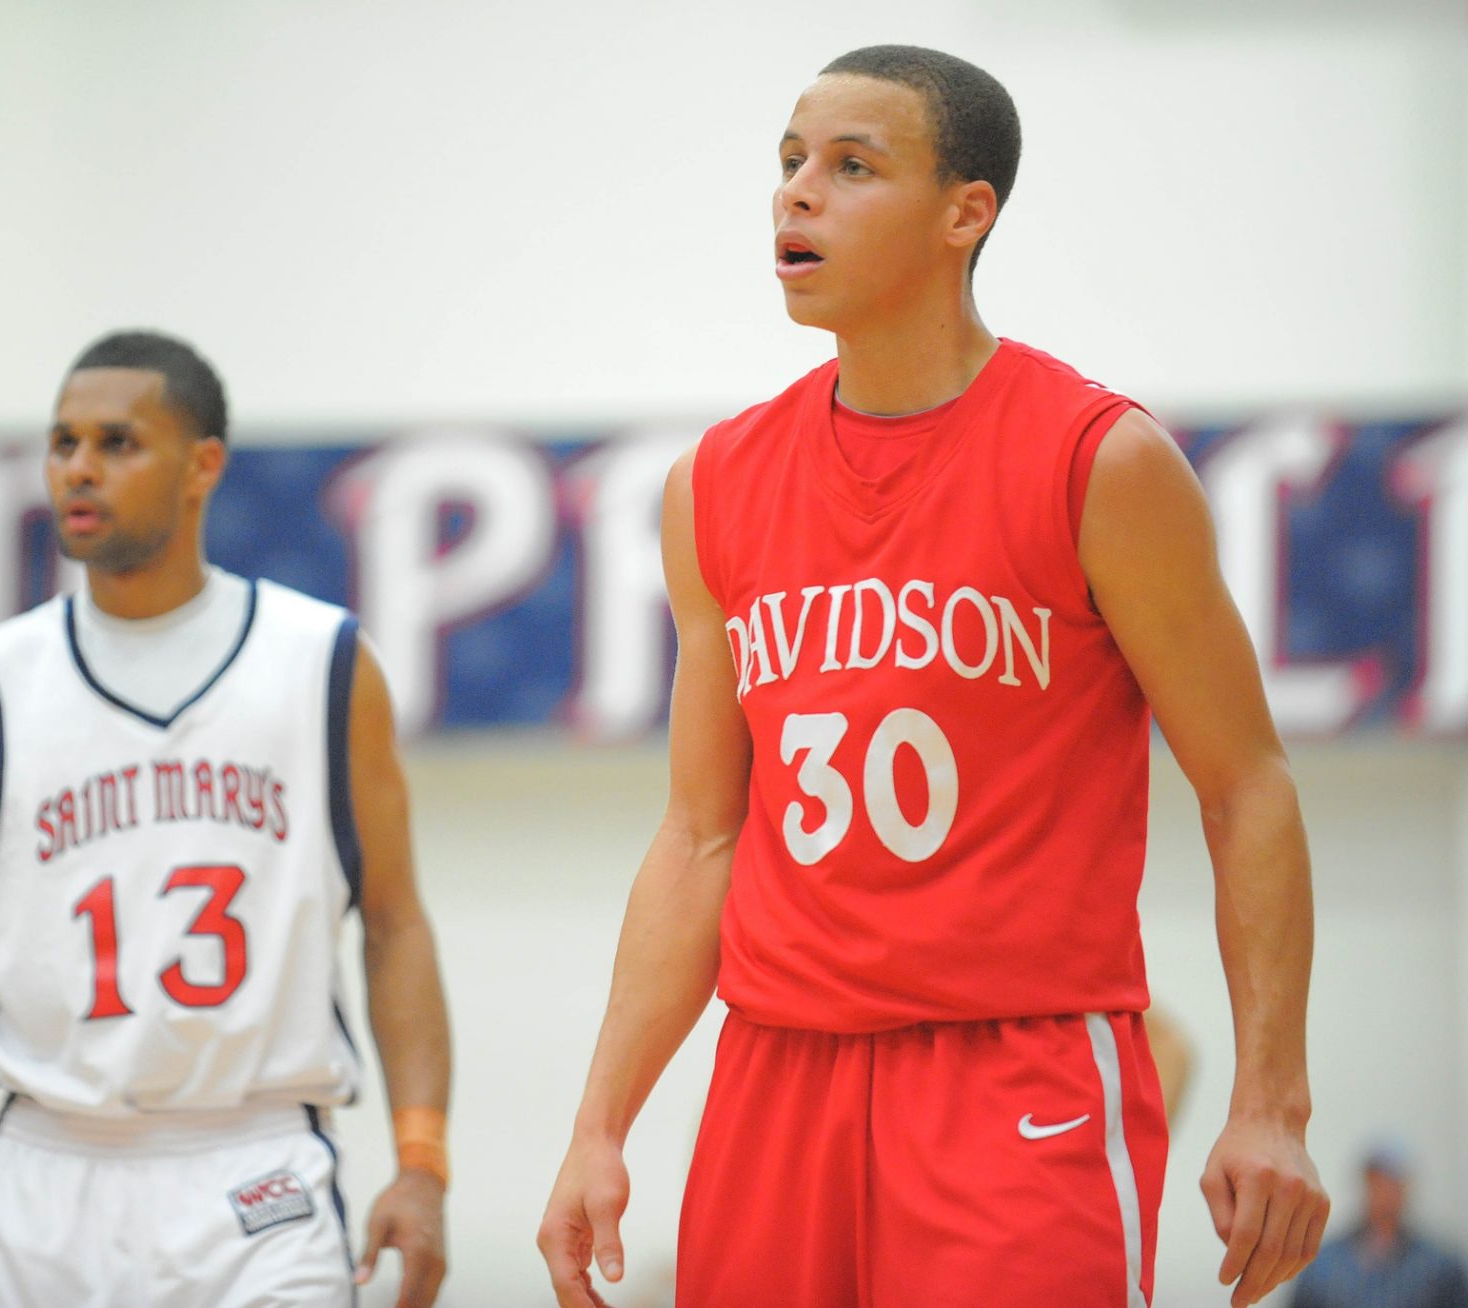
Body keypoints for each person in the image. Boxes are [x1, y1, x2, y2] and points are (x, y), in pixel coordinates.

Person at [538, 44, 1327, 1308]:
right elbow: (698, 835)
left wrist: (1271, 1102)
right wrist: (599, 1124)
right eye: (791, 162)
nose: (798, 194)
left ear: (969, 213)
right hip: (775, 1077)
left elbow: (1249, 787)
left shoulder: (1100, 460)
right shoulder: (717, 484)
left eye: (853, 167)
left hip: (1018, 1074)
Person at [0, 330, 452, 1308]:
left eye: (117, 442)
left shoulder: (323, 664)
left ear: (202, 466)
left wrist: (422, 1164)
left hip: (256, 1161)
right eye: (62, 443)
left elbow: (394, 925)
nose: (79, 469)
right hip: (45, 1162)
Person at [1289, 1143, 1468, 1308]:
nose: (1384, 1193)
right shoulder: (1322, 1264)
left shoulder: (1440, 1265)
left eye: (1391, 1184)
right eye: (1377, 1183)